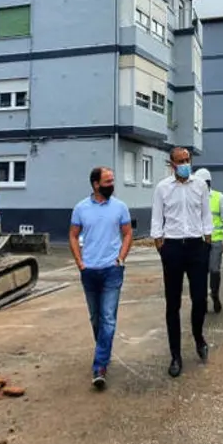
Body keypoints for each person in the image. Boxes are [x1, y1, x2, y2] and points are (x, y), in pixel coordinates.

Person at [150, 146, 214, 377]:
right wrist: (162, 248)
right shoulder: (162, 188)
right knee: (173, 304)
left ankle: (198, 336)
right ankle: (175, 355)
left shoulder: (199, 186)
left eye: (188, 159)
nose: (186, 163)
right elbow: (157, 219)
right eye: (181, 160)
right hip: (173, 247)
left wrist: (207, 243)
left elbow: (206, 215)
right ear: (172, 164)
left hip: (197, 246)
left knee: (199, 299)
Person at [70, 167, 133, 390]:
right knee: (96, 318)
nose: (111, 184)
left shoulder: (120, 207)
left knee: (107, 317)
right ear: (96, 184)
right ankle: (104, 349)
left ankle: (99, 366)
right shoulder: (80, 208)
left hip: (112, 270)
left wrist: (121, 258)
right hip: (89, 271)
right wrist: (80, 263)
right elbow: (73, 234)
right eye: (107, 181)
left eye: (112, 180)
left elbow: (127, 233)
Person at [193, 168, 223, 313]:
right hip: (198, 241)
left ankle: (214, 294)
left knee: (214, 269)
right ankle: (201, 299)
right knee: (200, 272)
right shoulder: (193, 197)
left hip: (215, 241)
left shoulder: (218, 197)